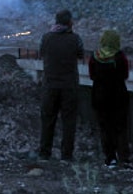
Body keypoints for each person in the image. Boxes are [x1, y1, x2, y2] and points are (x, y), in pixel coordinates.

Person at [38, 9, 84, 162]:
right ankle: (66, 155)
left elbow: (41, 53)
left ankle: (44, 153)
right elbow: (81, 54)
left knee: (47, 120)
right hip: (69, 86)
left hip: (50, 85)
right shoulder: (75, 39)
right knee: (69, 121)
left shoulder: (46, 38)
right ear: (69, 22)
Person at [89, 30, 131, 168]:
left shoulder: (95, 56)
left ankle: (110, 158)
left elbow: (92, 75)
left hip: (100, 96)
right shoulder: (120, 56)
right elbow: (125, 74)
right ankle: (124, 158)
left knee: (105, 128)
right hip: (119, 95)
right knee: (121, 127)